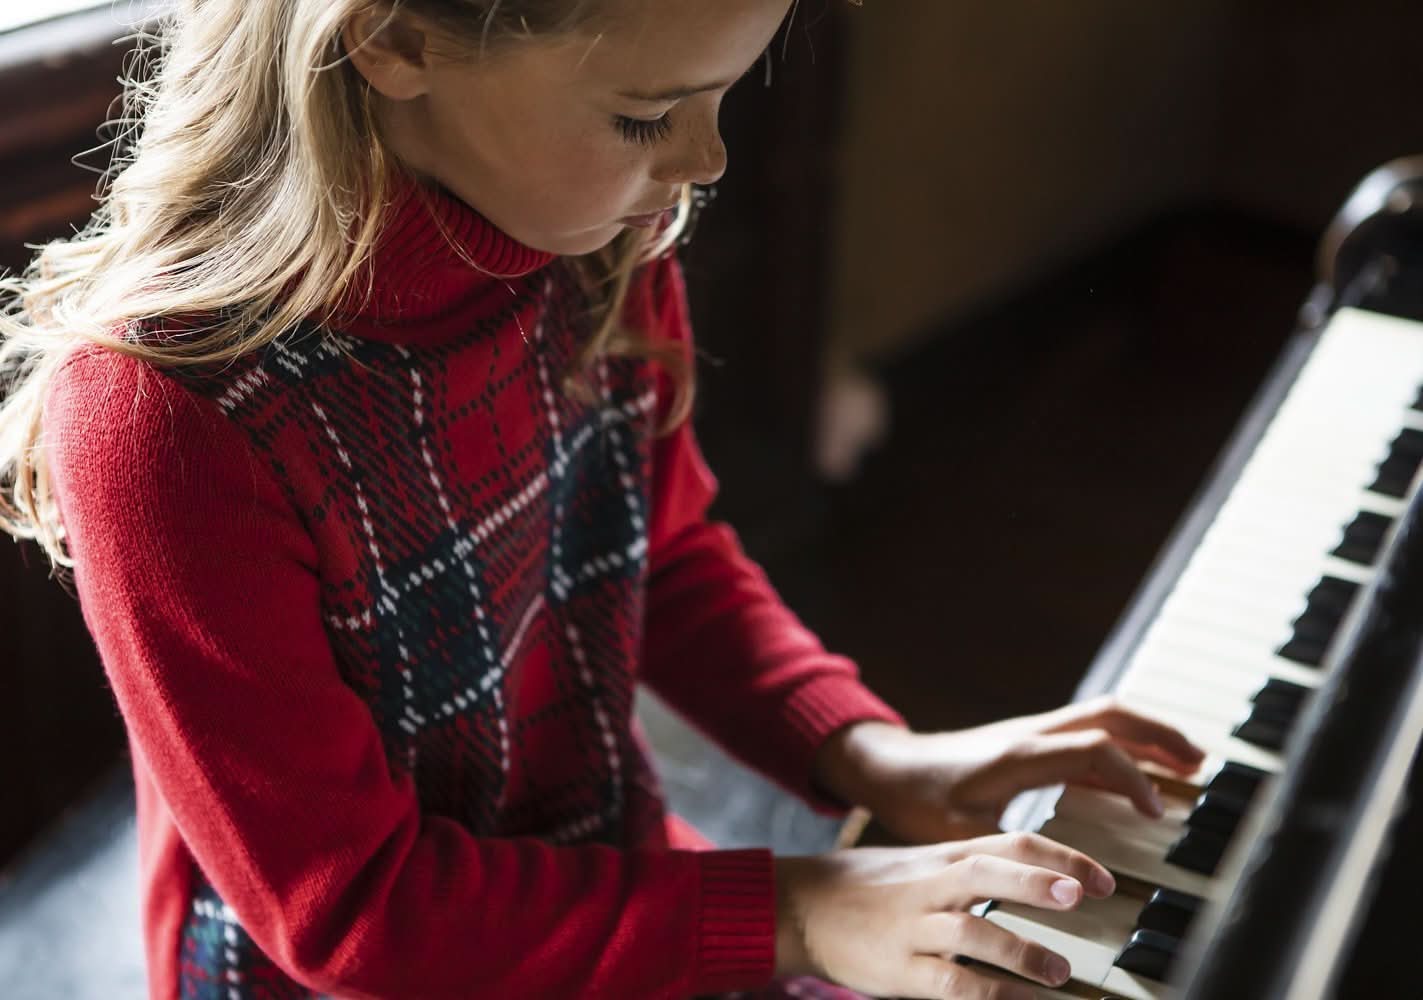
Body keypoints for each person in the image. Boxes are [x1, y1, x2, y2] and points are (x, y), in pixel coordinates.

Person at [0, 1, 1205, 997]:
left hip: (606, 885)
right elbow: (354, 912)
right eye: (646, 114)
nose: (705, 161)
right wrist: (801, 906)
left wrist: (871, 753)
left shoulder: (593, 235)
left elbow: (661, 552)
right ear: (395, 40)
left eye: (721, 96)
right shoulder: (167, 417)